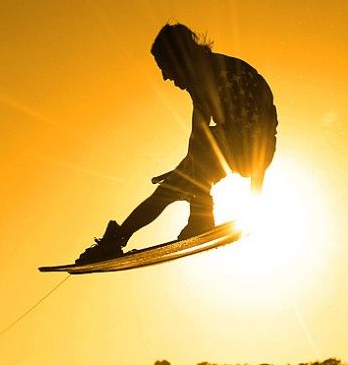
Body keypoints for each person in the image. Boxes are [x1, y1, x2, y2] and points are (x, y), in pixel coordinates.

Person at [77, 23, 278, 263]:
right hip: (248, 149)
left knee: (175, 185)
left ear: (180, 58)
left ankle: (197, 220)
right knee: (169, 189)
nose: (166, 77)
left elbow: (208, 138)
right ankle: (120, 237)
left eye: (166, 67)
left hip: (245, 147)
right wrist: (183, 172)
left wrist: (253, 203)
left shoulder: (210, 75)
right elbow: (205, 140)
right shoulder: (212, 72)